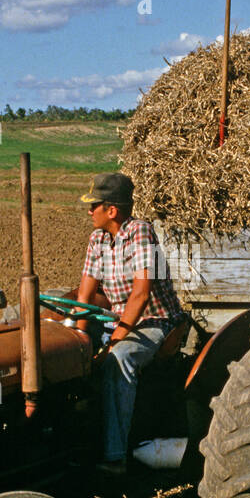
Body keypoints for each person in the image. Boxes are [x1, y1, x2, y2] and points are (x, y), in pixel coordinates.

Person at [74, 173, 187, 475]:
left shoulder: (140, 232)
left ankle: (115, 457)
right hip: (117, 318)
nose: (89, 211)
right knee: (70, 355)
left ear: (111, 210)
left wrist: (116, 339)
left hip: (155, 320)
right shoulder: (98, 238)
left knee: (118, 360)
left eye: (94, 205)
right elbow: (85, 291)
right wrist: (80, 337)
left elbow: (141, 293)